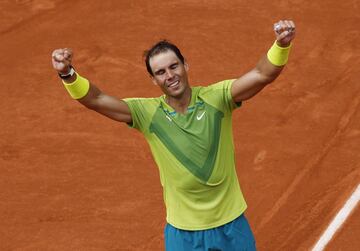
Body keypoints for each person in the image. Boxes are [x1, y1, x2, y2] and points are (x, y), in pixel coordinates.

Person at [52, 20, 296, 251]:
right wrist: (68, 74)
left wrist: (281, 44)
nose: (170, 76)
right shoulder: (146, 113)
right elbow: (95, 99)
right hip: (183, 233)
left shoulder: (217, 98)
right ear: (153, 79)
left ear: (185, 65)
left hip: (231, 225)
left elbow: (262, 74)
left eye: (173, 66)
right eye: (160, 72)